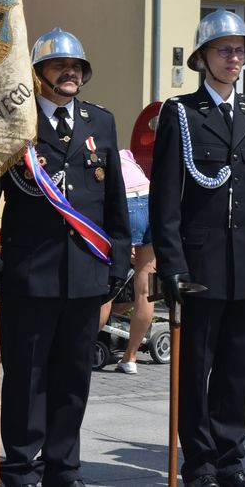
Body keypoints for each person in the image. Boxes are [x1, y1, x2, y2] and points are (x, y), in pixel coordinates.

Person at [0, 28, 131, 487]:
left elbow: (114, 200)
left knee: (73, 378)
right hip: (28, 275)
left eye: (76, 66)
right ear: (37, 76)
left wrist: (117, 266)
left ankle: (63, 467)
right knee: (25, 377)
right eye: (59, 66)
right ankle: (20, 466)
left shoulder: (101, 122)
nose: (70, 72)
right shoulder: (14, 125)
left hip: (85, 274)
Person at [150, 10, 245, 487]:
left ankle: (230, 459)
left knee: (236, 370)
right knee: (195, 368)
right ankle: (199, 461)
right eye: (224, 49)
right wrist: (172, 266)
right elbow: (166, 199)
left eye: (240, 49)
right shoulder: (181, 114)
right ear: (202, 57)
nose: (234, 57)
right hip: (199, 265)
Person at [99, 148, 155, 374]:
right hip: (150, 199)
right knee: (147, 287)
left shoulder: (101, 156)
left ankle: (77, 352)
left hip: (125, 203)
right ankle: (130, 357)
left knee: (106, 284)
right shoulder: (127, 154)